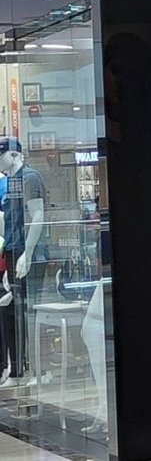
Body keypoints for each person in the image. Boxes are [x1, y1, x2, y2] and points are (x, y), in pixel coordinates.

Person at [0, 139, 44, 386]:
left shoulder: (30, 178)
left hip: (28, 253)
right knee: (12, 311)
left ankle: (35, 370)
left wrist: (27, 252)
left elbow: (38, 215)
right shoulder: (11, 182)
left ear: (14, 154)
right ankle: (16, 370)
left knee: (27, 311)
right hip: (14, 250)